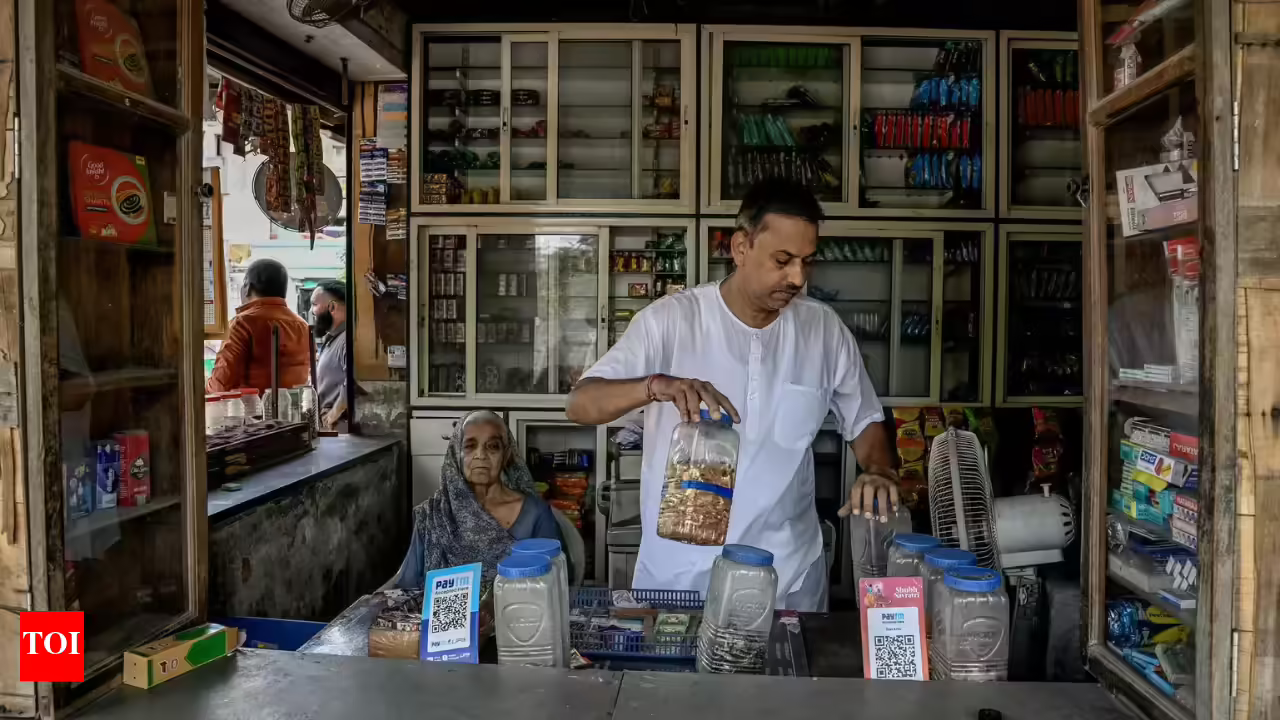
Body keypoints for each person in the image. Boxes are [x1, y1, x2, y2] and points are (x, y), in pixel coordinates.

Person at [565, 178, 898, 612]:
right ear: (741, 248)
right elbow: (580, 403)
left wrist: (878, 470)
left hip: (787, 578)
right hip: (680, 578)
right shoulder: (671, 322)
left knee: (787, 677)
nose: (797, 277)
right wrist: (655, 385)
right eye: (782, 260)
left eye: (807, 262)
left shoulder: (823, 331)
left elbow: (866, 423)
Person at [394, 410, 562, 591]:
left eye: (493, 447)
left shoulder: (535, 513)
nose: (480, 455)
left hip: (516, 614)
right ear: (455, 455)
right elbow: (406, 583)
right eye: (469, 446)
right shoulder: (434, 514)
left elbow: (553, 583)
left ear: (506, 456)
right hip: (444, 618)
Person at [207, 259, 312, 396]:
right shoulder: (302, 325)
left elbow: (221, 385)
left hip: (253, 413)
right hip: (294, 412)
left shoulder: (243, 323)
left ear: (247, 287)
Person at [311, 280, 349, 430]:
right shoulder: (334, 338)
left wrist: (335, 412)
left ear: (332, 307)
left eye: (314, 305)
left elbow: (355, 382)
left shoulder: (347, 340)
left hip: (339, 427)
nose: (311, 311)